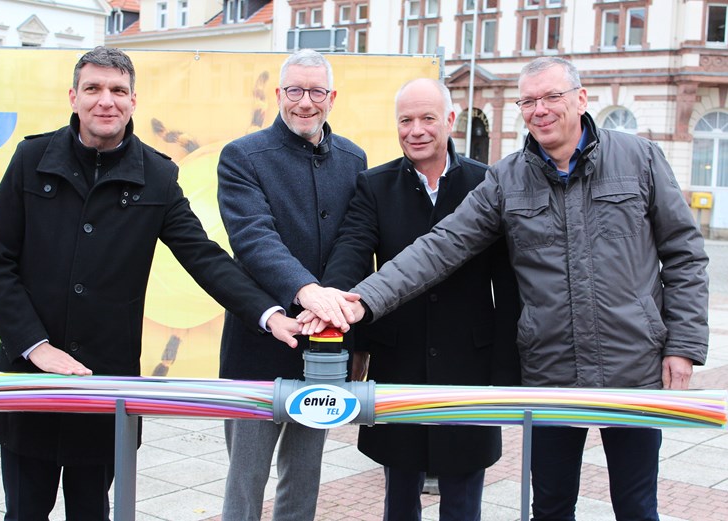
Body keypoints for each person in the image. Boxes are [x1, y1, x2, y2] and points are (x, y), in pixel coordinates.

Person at [303, 57, 710, 520]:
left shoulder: (639, 158)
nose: (540, 109)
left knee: (637, 507)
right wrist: (363, 302)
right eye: (529, 100)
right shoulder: (507, 179)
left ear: (580, 98)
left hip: (634, 363)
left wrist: (683, 344)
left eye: (552, 96)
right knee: (551, 506)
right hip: (551, 371)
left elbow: (684, 253)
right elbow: (440, 247)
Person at [0, 46, 300, 521]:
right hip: (30, 379)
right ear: (73, 96)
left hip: (105, 380)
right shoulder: (30, 159)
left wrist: (270, 314)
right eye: (93, 89)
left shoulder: (158, 175)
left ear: (133, 101)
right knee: (24, 512)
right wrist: (35, 346)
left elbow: (205, 258)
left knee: (92, 511)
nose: (105, 100)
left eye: (117, 90)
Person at [317, 78, 520, 520]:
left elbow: (508, 285)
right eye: (405, 120)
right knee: (400, 492)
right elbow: (351, 254)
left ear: (450, 120)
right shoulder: (374, 185)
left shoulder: (487, 183)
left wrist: (506, 370)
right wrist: (332, 305)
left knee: (464, 494)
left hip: (470, 363)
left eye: (428, 118)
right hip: (399, 358)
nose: (416, 130)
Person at [216, 49, 367, 521]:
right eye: (295, 91)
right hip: (258, 344)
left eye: (317, 91)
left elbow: (353, 240)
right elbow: (254, 238)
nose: (306, 102)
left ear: (332, 97)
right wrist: (306, 292)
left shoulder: (353, 158)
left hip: (325, 346)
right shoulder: (242, 156)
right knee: (246, 481)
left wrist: (329, 307)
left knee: (305, 478)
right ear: (279, 93)